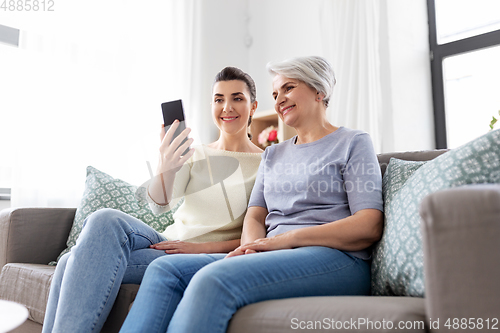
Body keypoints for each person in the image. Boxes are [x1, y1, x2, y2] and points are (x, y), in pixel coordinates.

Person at [118, 56, 384, 333]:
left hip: (337, 258)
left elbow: (369, 223)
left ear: (320, 91)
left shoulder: (353, 142)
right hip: (276, 253)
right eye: (275, 93)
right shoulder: (273, 154)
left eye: (288, 88)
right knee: (165, 270)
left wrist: (286, 239)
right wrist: (249, 248)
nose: (279, 99)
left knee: (213, 279)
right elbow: (255, 216)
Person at [42, 67, 263, 333]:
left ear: (253, 106)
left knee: (69, 262)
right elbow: (159, 205)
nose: (227, 107)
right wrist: (166, 163)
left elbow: (264, 234)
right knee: (104, 219)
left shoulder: (266, 163)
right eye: (219, 99)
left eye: (237, 98)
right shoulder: (195, 154)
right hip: (166, 241)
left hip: (205, 255)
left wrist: (201, 248)